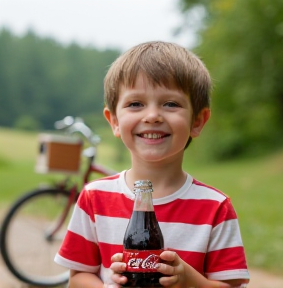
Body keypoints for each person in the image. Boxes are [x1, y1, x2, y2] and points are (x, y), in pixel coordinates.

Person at [54, 41, 250, 288]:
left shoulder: (216, 208)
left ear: (198, 121)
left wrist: (190, 281)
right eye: (135, 104)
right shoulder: (94, 198)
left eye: (171, 104)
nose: (152, 116)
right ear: (114, 120)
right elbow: (79, 277)